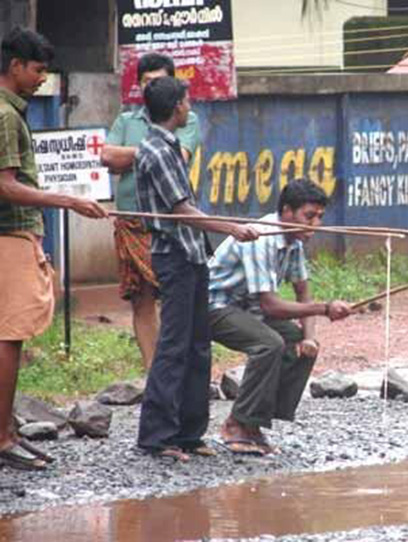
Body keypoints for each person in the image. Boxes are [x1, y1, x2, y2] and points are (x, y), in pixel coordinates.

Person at [0, 27, 108, 471]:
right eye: (38, 69)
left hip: (14, 237)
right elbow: (5, 186)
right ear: (15, 66)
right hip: (11, 237)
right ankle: (3, 437)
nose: (43, 78)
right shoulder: (5, 115)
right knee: (10, 336)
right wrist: (70, 201)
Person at [134, 76, 258, 462]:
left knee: (197, 346)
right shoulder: (155, 151)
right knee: (173, 347)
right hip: (174, 256)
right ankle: (157, 437)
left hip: (191, 255)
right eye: (187, 102)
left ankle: (189, 433)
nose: (190, 108)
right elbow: (182, 211)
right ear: (176, 108)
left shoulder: (168, 146)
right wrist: (232, 229)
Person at [207, 179, 353, 455]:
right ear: (286, 211)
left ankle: (254, 424)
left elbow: (304, 294)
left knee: (299, 343)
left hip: (247, 309)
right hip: (212, 306)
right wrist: (325, 308)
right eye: (309, 216)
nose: (315, 224)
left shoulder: (294, 240)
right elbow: (271, 306)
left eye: (320, 217)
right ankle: (235, 424)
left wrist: (309, 339)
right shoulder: (261, 236)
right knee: (269, 344)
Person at [101, 53, 201, 370]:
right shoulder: (126, 120)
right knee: (141, 300)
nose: (152, 87)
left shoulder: (189, 118)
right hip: (130, 221)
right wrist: (152, 149)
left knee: (176, 298)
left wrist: (133, 154)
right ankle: (153, 371)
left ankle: (176, 370)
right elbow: (107, 158)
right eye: (146, 82)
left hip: (167, 225)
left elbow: (178, 155)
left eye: (158, 81)